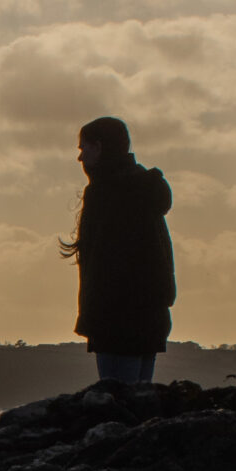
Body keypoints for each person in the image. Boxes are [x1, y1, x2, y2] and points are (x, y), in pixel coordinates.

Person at [60, 115, 176, 384]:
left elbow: (104, 263)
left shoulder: (108, 192)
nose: (80, 157)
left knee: (117, 403)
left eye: (83, 148)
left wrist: (96, 317)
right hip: (150, 318)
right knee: (138, 405)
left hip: (116, 320)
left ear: (99, 147)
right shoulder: (142, 189)